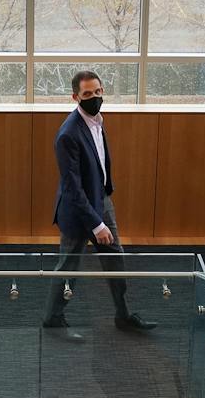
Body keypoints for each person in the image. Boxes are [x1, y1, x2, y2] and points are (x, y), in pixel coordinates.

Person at [42, 70, 157, 342]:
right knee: (68, 267)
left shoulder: (97, 121)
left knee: (115, 260)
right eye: (87, 94)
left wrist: (104, 207)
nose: (94, 98)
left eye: (97, 92)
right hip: (79, 211)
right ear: (75, 97)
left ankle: (123, 315)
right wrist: (96, 223)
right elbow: (72, 187)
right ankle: (53, 320)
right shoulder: (67, 134)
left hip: (101, 201)